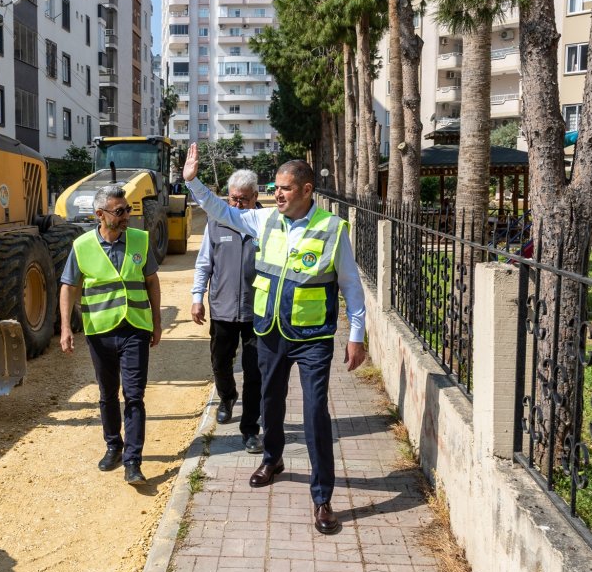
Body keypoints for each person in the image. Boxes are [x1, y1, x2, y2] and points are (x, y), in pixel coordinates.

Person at [182, 144, 367, 535]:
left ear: (306, 190)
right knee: (269, 401)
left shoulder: (332, 230)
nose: (277, 194)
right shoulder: (264, 221)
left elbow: (351, 285)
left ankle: (322, 498)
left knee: (316, 413)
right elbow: (221, 211)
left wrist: (356, 335)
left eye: (285, 188)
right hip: (270, 332)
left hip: (314, 336)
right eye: (275, 187)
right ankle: (272, 458)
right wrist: (193, 181)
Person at [59, 185, 163, 485]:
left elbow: (152, 282)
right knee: (107, 394)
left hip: (135, 328)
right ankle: (113, 446)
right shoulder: (82, 246)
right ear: (100, 215)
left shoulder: (140, 240)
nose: (126, 215)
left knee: (134, 395)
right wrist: (66, 327)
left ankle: (133, 461)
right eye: (119, 211)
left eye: (127, 209)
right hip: (100, 331)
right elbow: (68, 287)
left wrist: (156, 322)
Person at [191, 169, 263, 454]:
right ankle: (227, 396)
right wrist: (198, 297)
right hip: (222, 308)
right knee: (220, 362)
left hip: (257, 310)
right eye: (233, 199)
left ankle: (250, 430)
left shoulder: (267, 224)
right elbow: (203, 264)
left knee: (254, 371)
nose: (237, 205)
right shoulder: (216, 222)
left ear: (256, 197)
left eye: (243, 199)